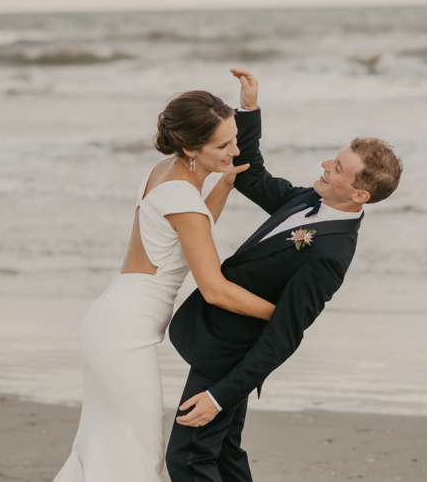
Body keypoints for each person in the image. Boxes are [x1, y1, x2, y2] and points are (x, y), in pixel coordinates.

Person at [166, 68, 403, 482]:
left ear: (359, 194)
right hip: (218, 339)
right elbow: (252, 174)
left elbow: (284, 336)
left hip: (231, 357)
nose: (326, 164)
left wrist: (221, 397)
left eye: (339, 168)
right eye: (335, 157)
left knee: (188, 460)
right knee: (221, 454)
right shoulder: (310, 198)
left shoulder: (330, 254)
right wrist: (249, 109)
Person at [53, 89, 278, 482]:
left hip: (109, 320)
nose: (234, 151)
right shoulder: (183, 198)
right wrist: (282, 317)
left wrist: (223, 185)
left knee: (106, 447)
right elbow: (215, 290)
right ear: (192, 147)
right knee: (136, 456)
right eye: (223, 144)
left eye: (235, 139)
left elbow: (190, 233)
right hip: (124, 334)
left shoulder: (166, 172)